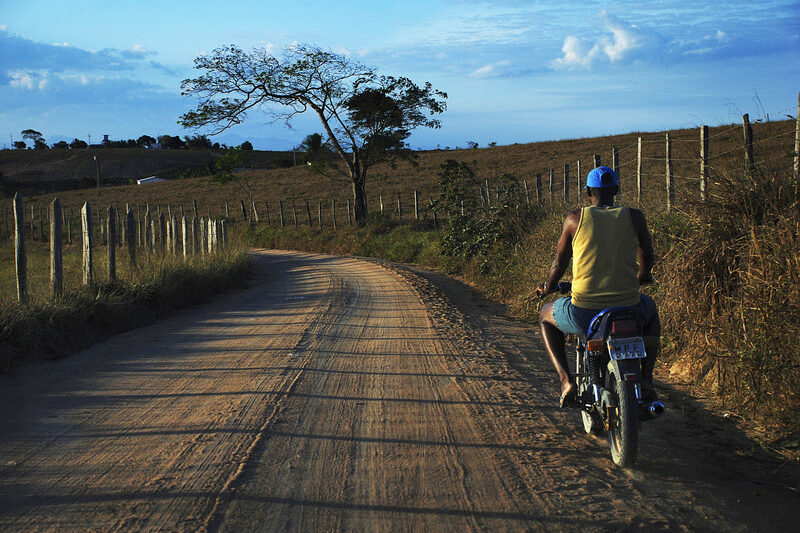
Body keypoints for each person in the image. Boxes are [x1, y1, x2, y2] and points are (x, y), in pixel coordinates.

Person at [536, 166, 660, 408]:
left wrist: (548, 286)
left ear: (587, 192)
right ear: (616, 189)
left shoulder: (574, 219)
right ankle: (646, 380)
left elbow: (559, 263)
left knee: (544, 316)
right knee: (651, 312)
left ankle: (566, 381)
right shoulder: (634, 217)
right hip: (629, 307)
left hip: (584, 311)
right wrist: (643, 276)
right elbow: (647, 252)